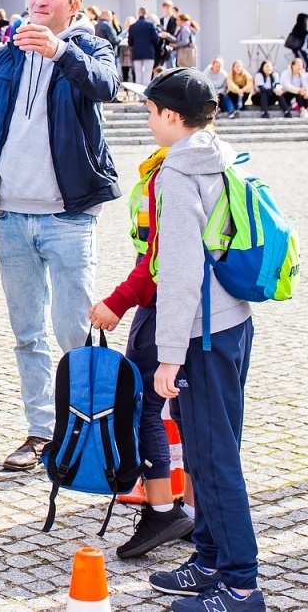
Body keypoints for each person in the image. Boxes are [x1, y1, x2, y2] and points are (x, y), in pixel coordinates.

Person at [0, 0, 120, 470]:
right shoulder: (7, 55)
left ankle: (89, 428)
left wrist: (61, 51)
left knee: (75, 333)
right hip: (13, 218)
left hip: (68, 217)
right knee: (27, 333)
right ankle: (41, 431)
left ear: (72, 4)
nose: (41, 2)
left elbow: (107, 86)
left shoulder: (89, 47)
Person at [143, 68, 264, 612]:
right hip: (233, 321)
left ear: (172, 116)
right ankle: (210, 560)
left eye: (150, 112)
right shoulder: (219, 153)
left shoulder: (176, 172)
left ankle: (241, 586)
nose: (147, 121)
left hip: (202, 334)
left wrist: (168, 356)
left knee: (214, 461)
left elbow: (180, 273)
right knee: (211, 451)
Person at [90, 140, 195, 562]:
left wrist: (116, 302)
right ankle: (192, 510)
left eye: (151, 110)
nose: (148, 120)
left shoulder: (165, 177)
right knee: (190, 414)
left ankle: (162, 512)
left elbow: (154, 262)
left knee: (147, 407)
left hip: (162, 313)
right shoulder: (217, 168)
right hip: (208, 317)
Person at [130, 8, 162, 85]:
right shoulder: (150, 24)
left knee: (138, 73)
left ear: (139, 13)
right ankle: (145, 93)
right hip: (149, 52)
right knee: (147, 73)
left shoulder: (133, 26)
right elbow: (156, 39)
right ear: (146, 14)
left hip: (137, 53)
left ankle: (139, 94)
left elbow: (130, 41)